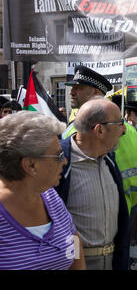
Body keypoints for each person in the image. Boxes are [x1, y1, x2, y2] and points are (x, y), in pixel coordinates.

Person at [0, 111, 85, 270]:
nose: (65, 161)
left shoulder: (50, 196)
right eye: (59, 156)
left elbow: (74, 240)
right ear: (31, 165)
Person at [56, 98, 130, 270]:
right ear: (100, 130)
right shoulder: (59, 164)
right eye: (120, 123)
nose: (124, 129)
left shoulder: (109, 160)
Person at [63, 65, 137, 212]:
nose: (72, 92)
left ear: (96, 92)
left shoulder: (77, 131)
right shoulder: (131, 130)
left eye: (79, 87)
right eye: (73, 88)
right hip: (124, 211)